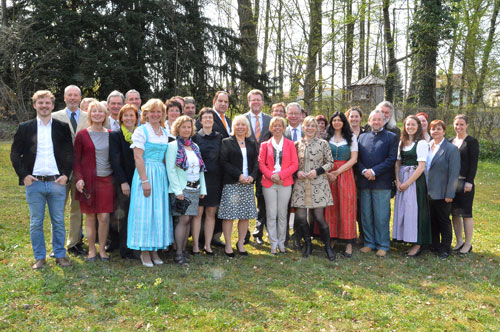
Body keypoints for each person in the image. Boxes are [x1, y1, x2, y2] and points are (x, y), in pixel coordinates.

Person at [11, 90, 74, 269]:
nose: (44, 106)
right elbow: (15, 153)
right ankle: (39, 257)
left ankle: (60, 255)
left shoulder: (61, 127)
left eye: (47, 103)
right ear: (34, 105)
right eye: (41, 103)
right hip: (35, 183)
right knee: (36, 222)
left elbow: (70, 153)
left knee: (58, 221)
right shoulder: (25, 127)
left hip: (56, 182)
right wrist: (24, 176)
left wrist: (65, 175)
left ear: (53, 106)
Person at [127, 99, 174, 267]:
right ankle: (145, 251)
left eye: (159, 112)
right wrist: (145, 180)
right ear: (146, 113)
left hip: (160, 175)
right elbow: (138, 157)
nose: (155, 114)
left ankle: (155, 249)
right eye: (152, 111)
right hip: (146, 173)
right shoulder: (142, 131)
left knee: (158, 211)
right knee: (145, 212)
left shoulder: (164, 130)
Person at [291, 116, 336, 261]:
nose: (310, 128)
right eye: (307, 126)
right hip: (301, 184)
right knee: (301, 217)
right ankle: (308, 244)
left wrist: (317, 171)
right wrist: (296, 171)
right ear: (303, 127)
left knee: (318, 217)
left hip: (318, 184)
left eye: (313, 126)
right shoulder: (297, 144)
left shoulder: (323, 143)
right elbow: (291, 163)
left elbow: (330, 163)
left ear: (317, 128)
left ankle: (327, 247)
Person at [74, 100, 114, 262]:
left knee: (104, 217)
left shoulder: (111, 134)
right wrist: (79, 179)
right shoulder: (82, 135)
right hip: (89, 182)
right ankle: (91, 250)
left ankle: (102, 249)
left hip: (107, 181)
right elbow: (76, 160)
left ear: (105, 115)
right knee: (90, 217)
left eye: (101, 111)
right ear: (89, 115)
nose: (97, 114)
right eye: (94, 111)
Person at [51, 85, 88, 256]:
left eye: (76, 95)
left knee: (77, 208)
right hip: (60, 170)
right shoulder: (54, 117)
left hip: (82, 170)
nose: (73, 98)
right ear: (64, 98)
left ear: (80, 98)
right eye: (69, 95)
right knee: (57, 208)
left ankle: (74, 243)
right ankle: (56, 245)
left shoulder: (89, 117)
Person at [166, 116, 207, 265]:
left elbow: (201, 169)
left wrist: (203, 188)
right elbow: (171, 170)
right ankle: (177, 254)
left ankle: (183, 251)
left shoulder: (195, 146)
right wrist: (178, 191)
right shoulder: (172, 146)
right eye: (183, 127)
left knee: (189, 219)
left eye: (189, 127)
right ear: (177, 128)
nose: (186, 130)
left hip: (194, 188)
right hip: (181, 189)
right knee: (182, 219)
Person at [357, 109, 398, 257]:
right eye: (374, 119)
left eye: (379, 120)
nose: (376, 122)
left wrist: (374, 172)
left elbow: (391, 159)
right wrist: (364, 172)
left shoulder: (391, 137)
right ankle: (369, 243)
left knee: (381, 216)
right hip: (364, 182)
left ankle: (383, 244)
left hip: (382, 182)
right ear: (369, 121)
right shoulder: (362, 137)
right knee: (366, 214)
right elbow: (357, 160)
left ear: (384, 121)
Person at [218, 115, 258, 256]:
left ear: (247, 127)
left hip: (247, 184)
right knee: (229, 216)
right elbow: (223, 162)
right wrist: (239, 175)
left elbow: (256, 163)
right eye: (237, 124)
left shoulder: (252, 143)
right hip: (232, 183)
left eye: (243, 124)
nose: (240, 127)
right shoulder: (226, 142)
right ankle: (228, 244)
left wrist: (252, 176)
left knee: (245, 216)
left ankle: (240, 243)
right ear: (233, 127)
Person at [392, 115, 432, 257]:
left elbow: (421, 167)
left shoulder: (421, 143)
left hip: (415, 181)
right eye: (408, 124)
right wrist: (398, 180)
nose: (410, 127)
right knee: (404, 210)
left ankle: (418, 243)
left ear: (418, 127)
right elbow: (397, 163)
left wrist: (408, 183)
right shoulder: (402, 142)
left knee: (416, 210)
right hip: (402, 178)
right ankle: (408, 238)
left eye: (413, 125)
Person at [258, 117, 298, 255]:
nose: (277, 128)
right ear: (271, 128)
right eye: (274, 126)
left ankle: (282, 242)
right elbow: (261, 164)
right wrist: (272, 176)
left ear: (284, 127)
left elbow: (295, 164)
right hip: (269, 183)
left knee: (282, 214)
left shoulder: (290, 144)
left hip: (285, 182)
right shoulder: (264, 145)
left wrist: (280, 175)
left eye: (280, 125)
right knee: (271, 213)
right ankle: (273, 243)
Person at [323, 112, 358, 258]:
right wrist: (328, 173)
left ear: (344, 122)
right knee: (330, 206)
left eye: (339, 120)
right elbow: (322, 157)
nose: (337, 122)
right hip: (328, 174)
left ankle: (348, 242)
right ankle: (331, 237)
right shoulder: (326, 138)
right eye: (334, 120)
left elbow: (354, 159)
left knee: (346, 206)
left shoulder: (351, 137)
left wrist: (337, 172)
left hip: (345, 174)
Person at [426, 120, 460, 259]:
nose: (435, 131)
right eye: (433, 129)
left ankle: (445, 248)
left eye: (438, 129)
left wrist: (450, 193)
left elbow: (454, 174)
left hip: (442, 192)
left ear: (444, 131)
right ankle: (434, 245)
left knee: (443, 221)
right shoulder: (427, 146)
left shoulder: (451, 149)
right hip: (428, 191)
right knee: (432, 219)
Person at [109, 104, 139, 259]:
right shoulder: (116, 135)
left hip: (139, 180)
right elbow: (115, 161)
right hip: (124, 182)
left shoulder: (140, 135)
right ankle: (125, 249)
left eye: (131, 115)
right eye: (125, 116)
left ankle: (136, 246)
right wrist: (123, 182)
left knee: (137, 214)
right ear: (120, 119)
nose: (128, 118)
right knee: (125, 215)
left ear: (136, 118)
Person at [192, 108, 223, 255]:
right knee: (198, 213)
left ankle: (208, 244)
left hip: (215, 180)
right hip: (199, 179)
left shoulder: (219, 137)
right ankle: (196, 245)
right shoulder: (195, 137)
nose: (208, 120)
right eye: (205, 118)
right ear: (201, 120)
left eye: (210, 118)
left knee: (211, 213)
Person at [244, 89, 272, 244]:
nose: (255, 102)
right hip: (246, 166)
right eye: (252, 99)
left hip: (264, 166)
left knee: (262, 199)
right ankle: (245, 233)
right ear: (249, 102)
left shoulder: (270, 120)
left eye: (258, 99)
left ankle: (258, 232)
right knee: (245, 200)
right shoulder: (242, 119)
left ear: (262, 102)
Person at [450, 114, 479, 255]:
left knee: (466, 213)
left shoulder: (472, 142)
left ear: (466, 125)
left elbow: (473, 164)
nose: (459, 127)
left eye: (462, 124)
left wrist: (469, 181)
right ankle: (459, 241)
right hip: (452, 183)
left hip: (465, 182)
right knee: (455, 213)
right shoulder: (450, 141)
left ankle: (468, 244)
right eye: (456, 124)